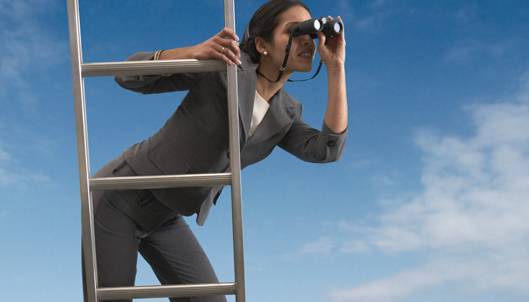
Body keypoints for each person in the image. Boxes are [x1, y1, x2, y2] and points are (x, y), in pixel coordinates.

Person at [83, 0, 347, 301]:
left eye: (310, 34)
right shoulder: (225, 67)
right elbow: (127, 76)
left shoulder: (285, 115)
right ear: (261, 44)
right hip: (121, 196)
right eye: (294, 32)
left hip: (165, 216)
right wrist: (192, 53)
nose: (307, 42)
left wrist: (336, 67)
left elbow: (328, 149)